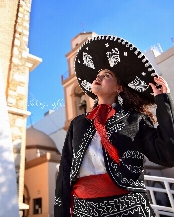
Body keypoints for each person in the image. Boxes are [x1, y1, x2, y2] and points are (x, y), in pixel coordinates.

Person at [54, 35, 174, 217]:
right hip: (84, 211)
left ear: (119, 88)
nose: (98, 78)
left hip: (129, 210)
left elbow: (168, 154)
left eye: (106, 75)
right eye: (97, 76)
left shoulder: (136, 120)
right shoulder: (78, 124)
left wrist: (163, 101)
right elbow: (65, 171)